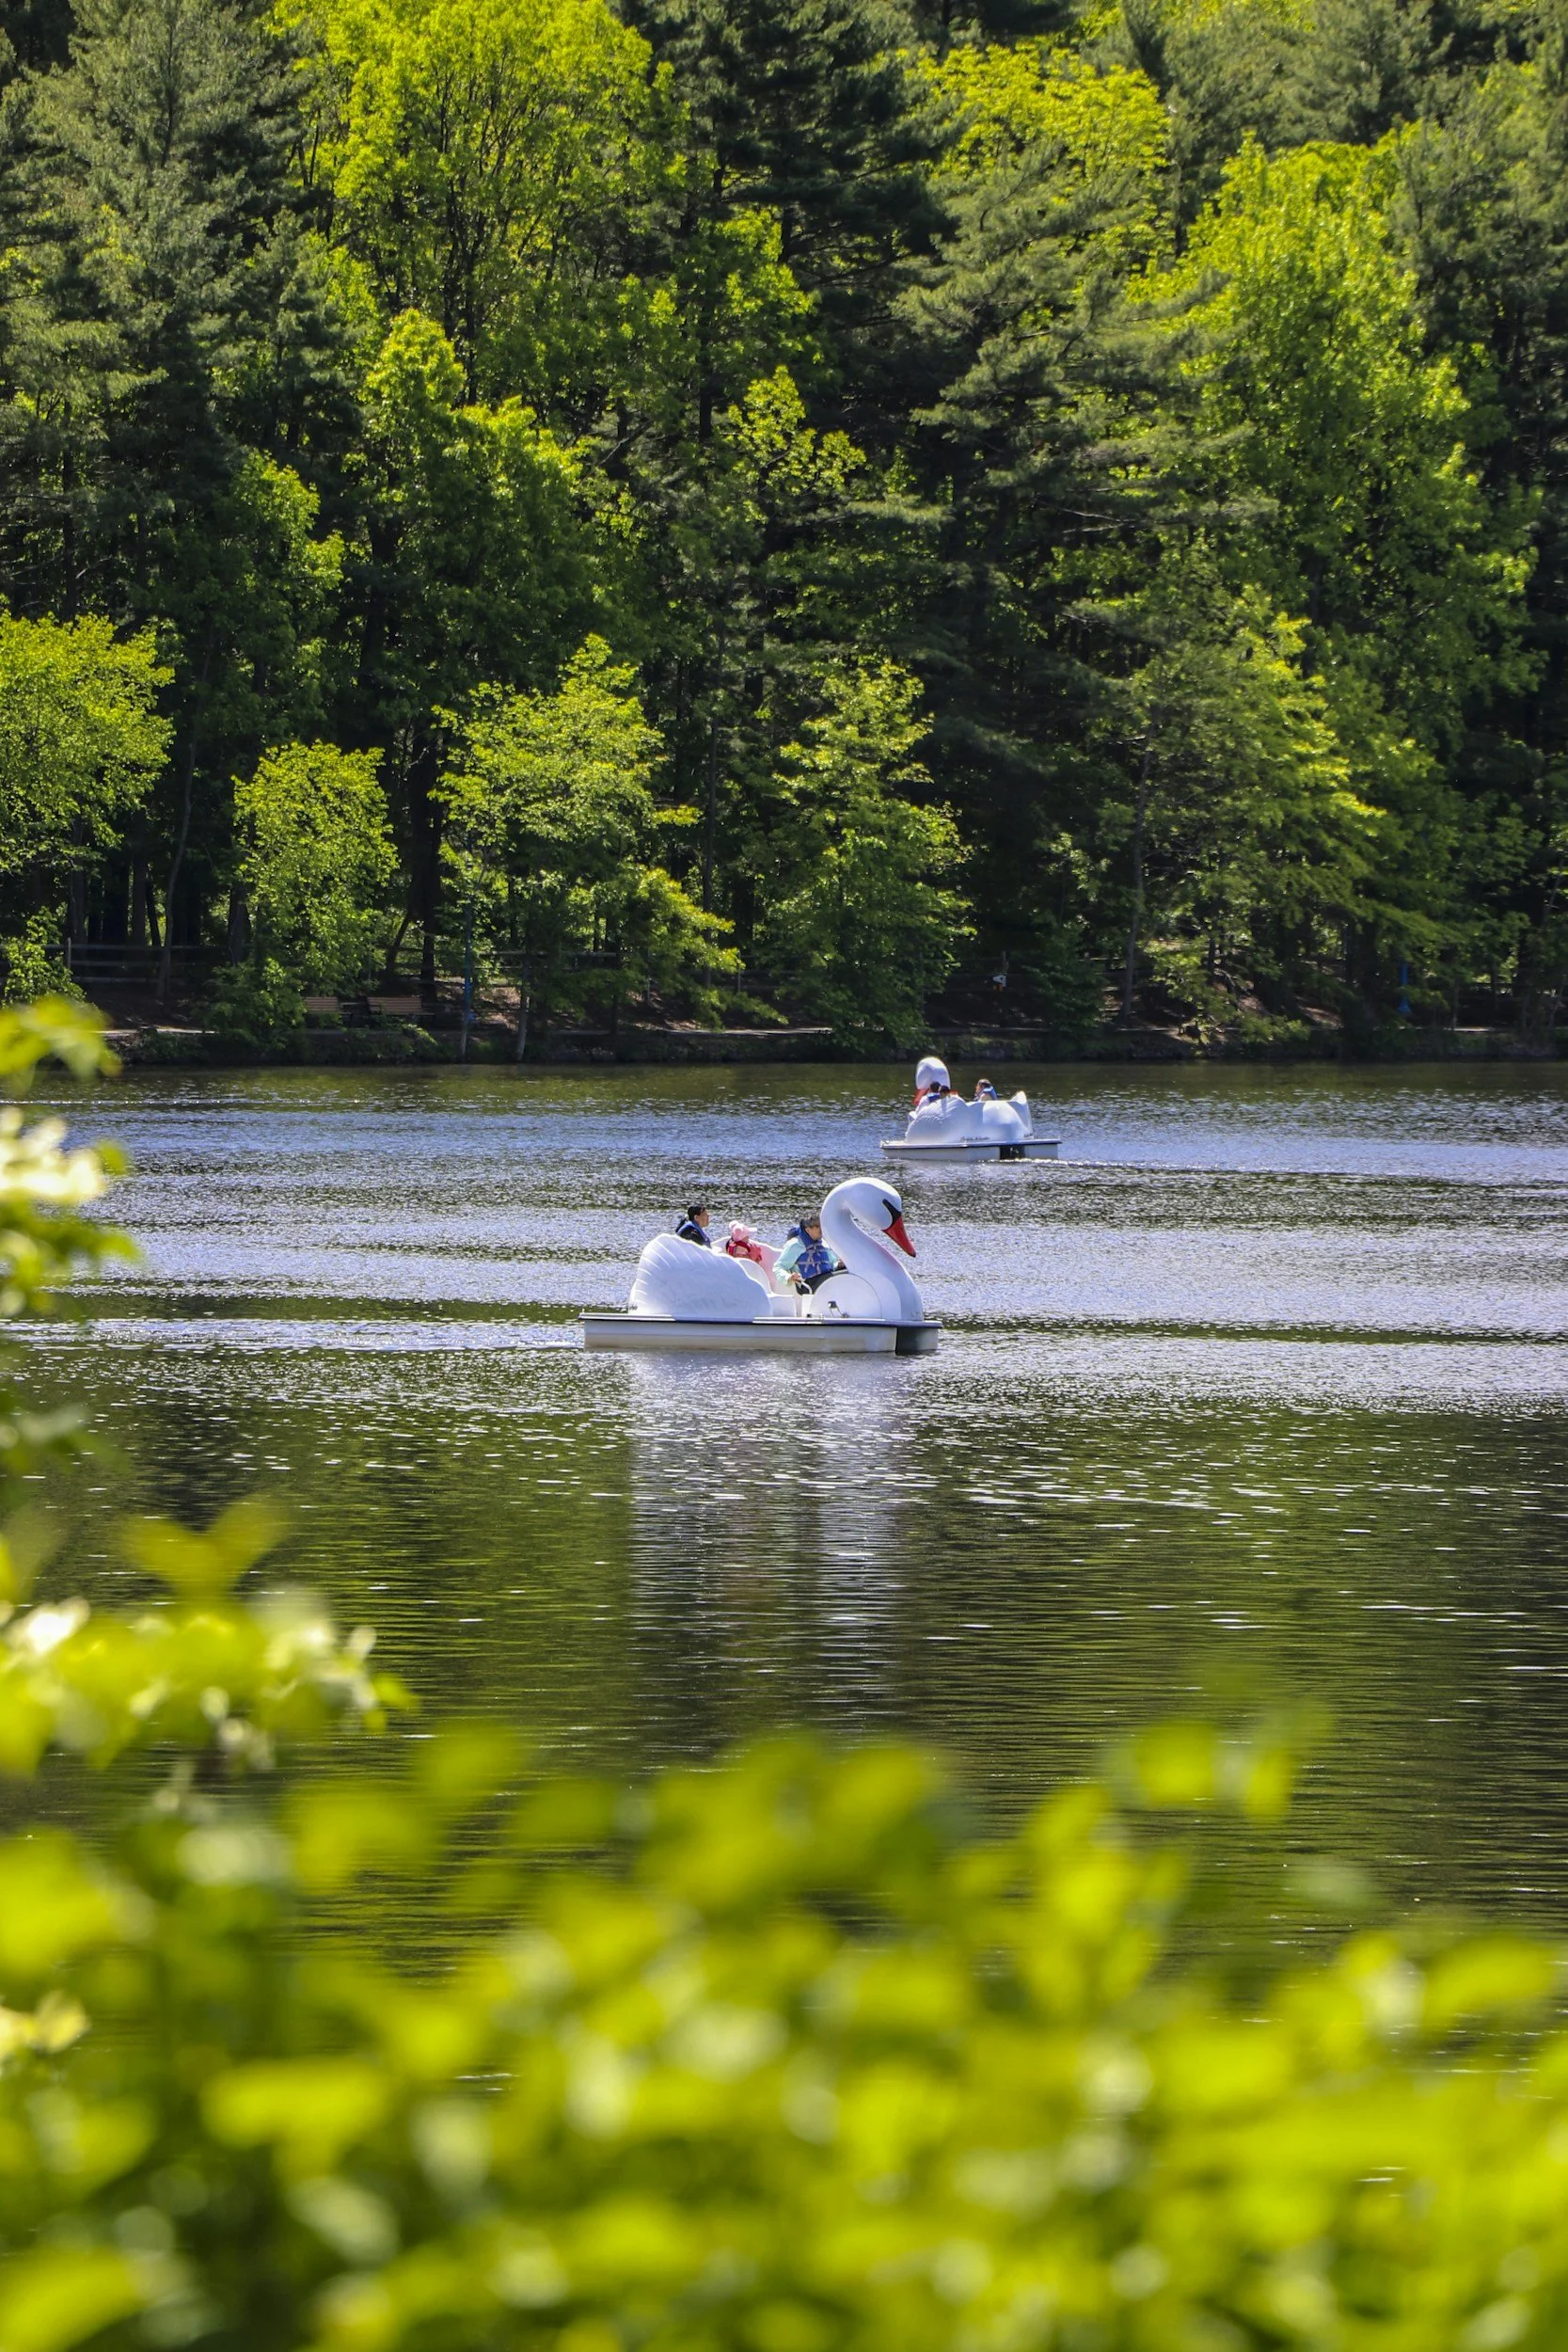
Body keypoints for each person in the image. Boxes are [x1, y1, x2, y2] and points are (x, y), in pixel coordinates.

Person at [776, 1213, 838, 1292]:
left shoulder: (822, 1243)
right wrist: (788, 1277)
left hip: (825, 1277)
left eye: (822, 1225)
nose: (821, 1229)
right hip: (808, 1284)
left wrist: (838, 1264)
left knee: (848, 1272)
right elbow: (778, 1267)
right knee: (842, 1278)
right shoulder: (795, 1245)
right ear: (808, 1229)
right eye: (817, 1226)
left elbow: (832, 1263)